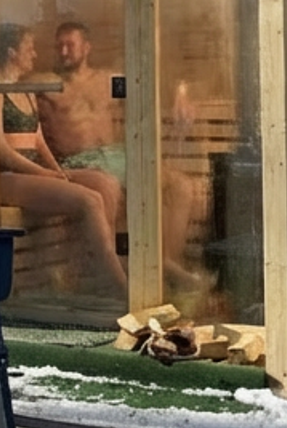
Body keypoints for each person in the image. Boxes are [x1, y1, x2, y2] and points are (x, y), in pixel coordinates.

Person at [38, 20, 205, 289]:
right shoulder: (48, 84)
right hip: (80, 161)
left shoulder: (108, 82)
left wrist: (181, 91)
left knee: (180, 186)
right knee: (110, 188)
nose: (64, 52)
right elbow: (13, 84)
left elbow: (148, 83)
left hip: (116, 158)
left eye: (71, 45)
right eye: (59, 46)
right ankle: (115, 276)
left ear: (87, 47)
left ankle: (163, 265)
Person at [0, 23, 129, 296]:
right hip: (8, 177)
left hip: (35, 171)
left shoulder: (26, 89)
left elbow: (39, 140)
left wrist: (57, 171)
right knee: (90, 200)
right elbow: (1, 151)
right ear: (11, 52)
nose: (34, 55)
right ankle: (121, 289)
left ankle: (96, 270)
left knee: (106, 184)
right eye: (29, 49)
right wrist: (45, 175)